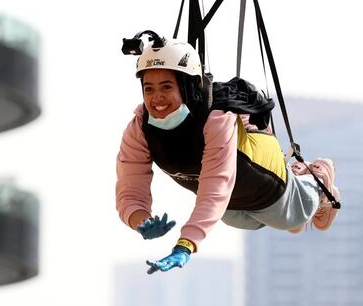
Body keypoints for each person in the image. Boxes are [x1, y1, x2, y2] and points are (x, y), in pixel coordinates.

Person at [115, 35, 340, 274]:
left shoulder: (216, 119)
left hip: (260, 174)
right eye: (149, 89)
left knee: (289, 218)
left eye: (166, 87)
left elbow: (214, 187)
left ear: (188, 86)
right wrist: (141, 222)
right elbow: (130, 190)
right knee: (235, 219)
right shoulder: (140, 128)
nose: (156, 97)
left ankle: (316, 181)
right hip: (232, 201)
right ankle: (293, 197)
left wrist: (185, 245)